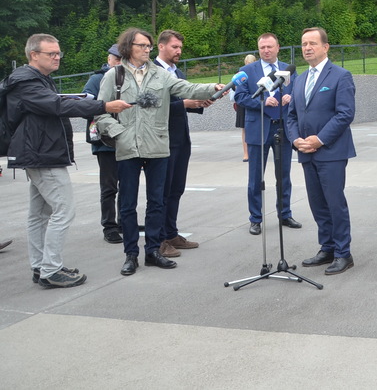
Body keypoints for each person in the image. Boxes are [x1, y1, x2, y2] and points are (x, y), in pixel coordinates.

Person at [96, 27, 223, 276]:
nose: (146, 50)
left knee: (156, 202)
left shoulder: (160, 75)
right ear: (127, 48)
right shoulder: (115, 76)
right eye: (142, 46)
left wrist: (214, 88)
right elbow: (100, 111)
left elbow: (186, 89)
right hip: (128, 147)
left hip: (157, 146)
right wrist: (120, 133)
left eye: (148, 46)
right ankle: (131, 254)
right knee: (128, 205)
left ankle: (153, 250)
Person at [6, 33, 131, 288]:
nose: (57, 57)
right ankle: (51, 270)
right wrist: (103, 106)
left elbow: (57, 104)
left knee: (40, 214)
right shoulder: (26, 81)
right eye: (51, 53)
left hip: (41, 153)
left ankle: (42, 266)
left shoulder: (38, 79)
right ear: (33, 55)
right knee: (63, 211)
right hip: (42, 155)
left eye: (58, 53)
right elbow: (57, 106)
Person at [286, 27, 356, 275]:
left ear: (325, 47)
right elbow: (291, 115)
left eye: (312, 43)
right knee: (317, 203)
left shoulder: (340, 76)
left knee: (334, 203)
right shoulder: (300, 80)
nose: (307, 48)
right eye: (304, 43)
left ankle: (342, 253)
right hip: (306, 151)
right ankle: (326, 247)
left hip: (332, 151)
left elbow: (345, 113)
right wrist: (295, 140)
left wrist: (320, 139)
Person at [233, 33, 301, 235]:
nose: (266, 51)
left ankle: (285, 214)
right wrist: (261, 102)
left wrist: (291, 96)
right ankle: (255, 219)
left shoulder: (289, 70)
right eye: (262, 47)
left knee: (284, 176)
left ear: (278, 47)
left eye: (270, 47)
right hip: (258, 128)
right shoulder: (247, 71)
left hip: (282, 128)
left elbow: (299, 91)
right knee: (255, 178)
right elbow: (240, 97)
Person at [155, 30, 210, 258]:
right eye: (174, 47)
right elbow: (153, 106)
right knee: (162, 191)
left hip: (180, 139)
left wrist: (200, 103)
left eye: (180, 48)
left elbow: (184, 100)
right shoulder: (153, 73)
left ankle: (171, 233)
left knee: (176, 189)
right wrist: (184, 104)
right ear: (161, 46)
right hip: (162, 139)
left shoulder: (176, 72)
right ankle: (159, 240)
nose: (179, 51)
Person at [82, 44, 124, 244]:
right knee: (109, 186)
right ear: (109, 59)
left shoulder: (128, 78)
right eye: (115, 58)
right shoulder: (97, 79)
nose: (118, 62)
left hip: (126, 139)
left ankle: (124, 221)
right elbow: (85, 105)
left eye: (122, 59)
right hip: (105, 141)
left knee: (127, 184)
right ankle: (109, 226)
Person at [234, 54, 256, 162]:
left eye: (251, 62)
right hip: (243, 105)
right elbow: (235, 87)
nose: (249, 65)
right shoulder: (240, 73)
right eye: (247, 63)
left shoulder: (257, 73)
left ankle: (251, 152)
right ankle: (246, 153)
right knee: (244, 129)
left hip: (254, 103)